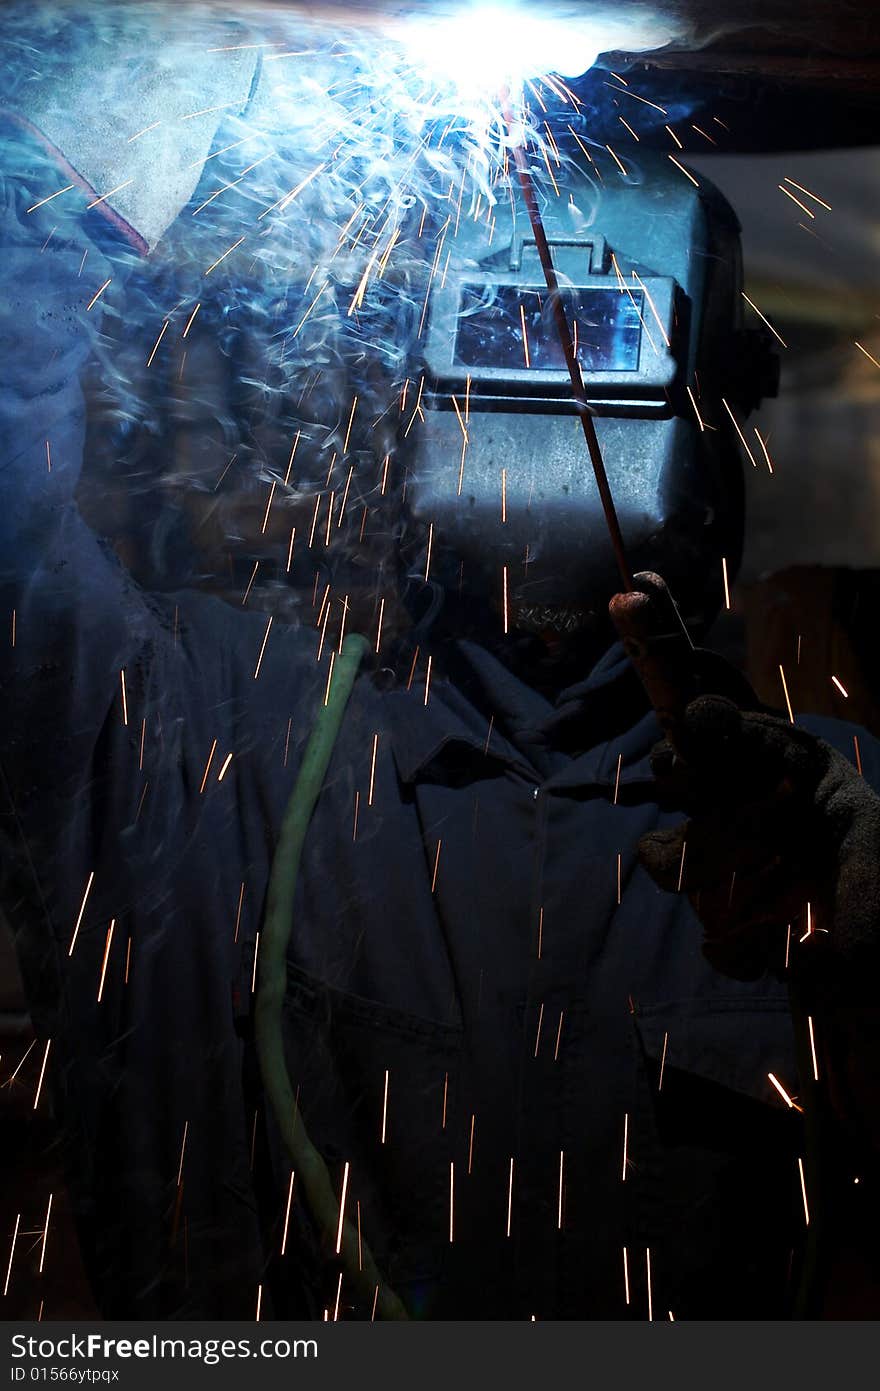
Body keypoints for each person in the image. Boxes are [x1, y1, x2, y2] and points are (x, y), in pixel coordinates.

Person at [2, 12, 880, 1323]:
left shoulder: (812, 825)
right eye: (513, 332)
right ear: (415, 381)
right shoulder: (198, 745)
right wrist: (90, 153)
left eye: (592, 337)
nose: (550, 367)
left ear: (708, 414)